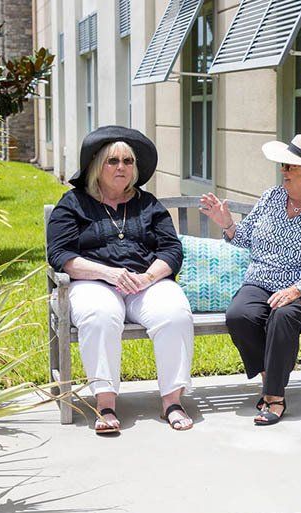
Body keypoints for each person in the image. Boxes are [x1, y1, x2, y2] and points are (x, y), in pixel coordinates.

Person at [47, 126, 194, 434]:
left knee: (174, 312)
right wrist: (108, 272)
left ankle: (172, 400)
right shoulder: (73, 204)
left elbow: (171, 249)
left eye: (128, 161)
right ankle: (105, 402)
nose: (122, 167)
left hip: (145, 282)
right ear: (97, 166)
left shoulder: (148, 203)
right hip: (93, 282)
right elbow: (60, 255)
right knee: (99, 315)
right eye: (113, 161)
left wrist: (148, 276)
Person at [200, 134, 301, 426]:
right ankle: (270, 379)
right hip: (262, 279)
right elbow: (246, 238)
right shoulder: (271, 197)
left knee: (282, 316)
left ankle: (275, 398)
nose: (284, 171)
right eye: (284, 165)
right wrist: (227, 223)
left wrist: (295, 290)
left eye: (291, 167)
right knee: (239, 315)